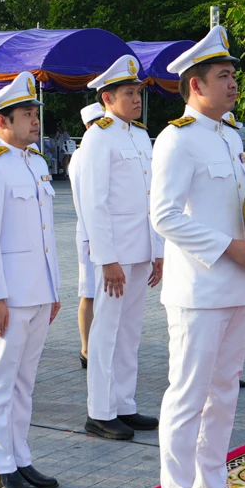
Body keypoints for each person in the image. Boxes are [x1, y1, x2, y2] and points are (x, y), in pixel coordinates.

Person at [151, 26, 245, 488]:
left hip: (238, 280)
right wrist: (233, 249)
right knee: (188, 393)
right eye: (224, 76)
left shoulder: (230, 136)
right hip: (199, 287)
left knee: (224, 391)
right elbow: (163, 216)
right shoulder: (176, 138)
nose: (233, 84)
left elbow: (240, 207)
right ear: (196, 85)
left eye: (233, 76)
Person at [0, 73, 61, 488]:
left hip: (38, 291)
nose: (35, 121)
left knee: (25, 380)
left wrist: (54, 289)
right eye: (26, 115)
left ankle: (20, 456)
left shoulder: (36, 163)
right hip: (8, 295)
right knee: (0, 380)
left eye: (35, 114)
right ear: (2, 121)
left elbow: (44, 235)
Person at [77, 55, 164, 441]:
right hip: (115, 253)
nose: (136, 99)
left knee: (130, 331)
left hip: (140, 249)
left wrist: (157, 250)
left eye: (137, 92)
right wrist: (106, 257)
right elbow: (94, 202)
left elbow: (151, 197)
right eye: (128, 93)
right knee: (106, 332)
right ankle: (100, 410)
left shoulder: (140, 135)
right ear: (107, 98)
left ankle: (124, 404)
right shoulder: (99, 135)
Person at [68, 101, 106, 369]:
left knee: (106, 293)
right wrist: (93, 236)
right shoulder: (82, 156)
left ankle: (101, 345)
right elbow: (84, 200)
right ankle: (86, 348)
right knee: (90, 292)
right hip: (90, 233)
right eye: (96, 124)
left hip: (105, 233)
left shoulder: (103, 150)